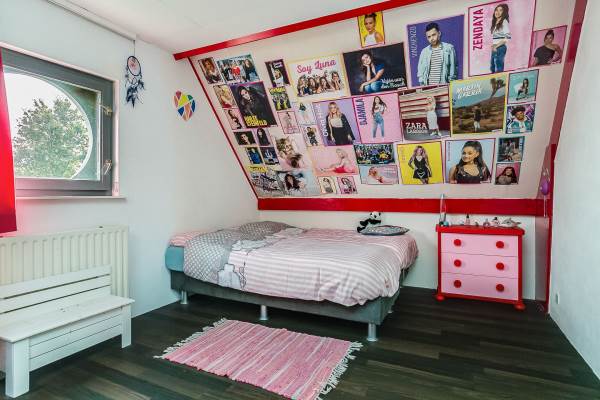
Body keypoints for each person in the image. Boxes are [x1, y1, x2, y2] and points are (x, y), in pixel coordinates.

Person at [490, 4, 511, 73]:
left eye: (500, 10)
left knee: (498, 69)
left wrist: (496, 46)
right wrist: (494, 45)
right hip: (495, 47)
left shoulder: (504, 21)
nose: (497, 12)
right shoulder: (495, 22)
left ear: (504, 12)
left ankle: (499, 80)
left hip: (500, 47)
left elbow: (507, 37)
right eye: (496, 10)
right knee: (492, 68)